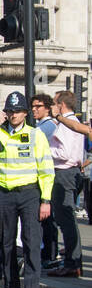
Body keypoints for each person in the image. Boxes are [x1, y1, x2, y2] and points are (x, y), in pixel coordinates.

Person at [0, 91, 53, 288]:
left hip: (29, 194)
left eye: (17, 111)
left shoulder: (36, 135)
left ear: (25, 113)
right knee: (7, 242)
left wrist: (46, 200)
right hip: (4, 194)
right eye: (10, 111)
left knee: (31, 242)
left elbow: (46, 169)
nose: (13, 115)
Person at [46, 90, 90, 277]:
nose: (51, 108)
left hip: (64, 173)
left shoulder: (66, 125)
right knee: (66, 220)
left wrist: (45, 152)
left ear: (61, 105)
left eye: (54, 103)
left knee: (66, 220)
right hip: (69, 172)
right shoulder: (69, 123)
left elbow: (65, 154)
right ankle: (72, 261)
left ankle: (72, 262)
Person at [31, 93, 59, 266]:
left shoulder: (47, 126)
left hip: (46, 174)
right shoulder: (40, 125)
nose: (34, 109)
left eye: (38, 106)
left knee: (47, 217)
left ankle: (48, 254)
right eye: (33, 106)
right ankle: (47, 253)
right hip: (41, 174)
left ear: (47, 108)